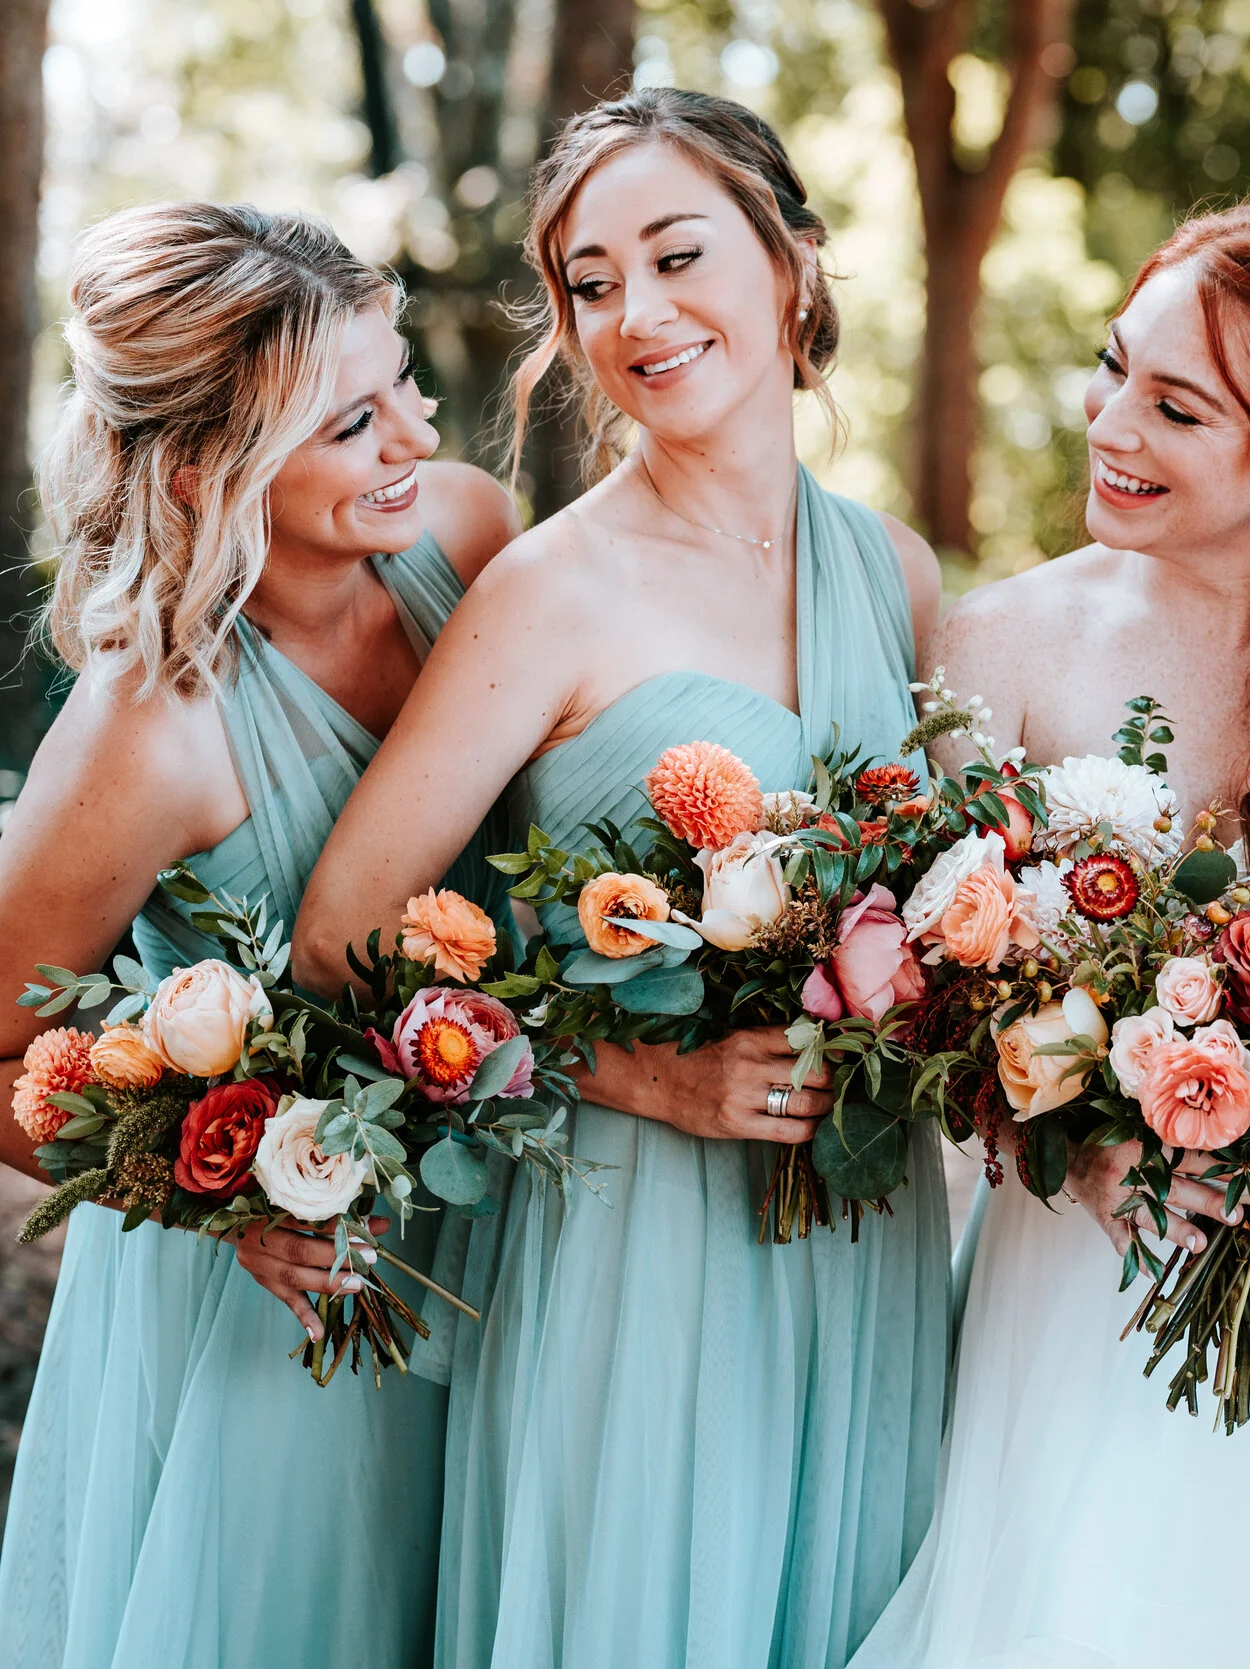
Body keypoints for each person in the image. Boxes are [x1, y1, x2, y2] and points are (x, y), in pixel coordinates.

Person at [291, 90, 949, 1668]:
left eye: (677, 255)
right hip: (636, 1239)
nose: (638, 313)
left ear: (791, 261)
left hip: (867, 1235)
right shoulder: (551, 591)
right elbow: (339, 939)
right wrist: (635, 1072)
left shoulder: (898, 573)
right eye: (592, 284)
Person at [846, 200, 1250, 1669]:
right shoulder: (998, 642)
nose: (1110, 423)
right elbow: (943, 994)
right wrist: (1074, 1149)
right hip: (1082, 1266)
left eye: (1177, 406)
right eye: (1114, 367)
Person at [0, 202, 518, 1669]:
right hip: (285, 1305)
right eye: (352, 424)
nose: (415, 435)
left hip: (511, 1224)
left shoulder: (467, 537)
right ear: (204, 469)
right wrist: (218, 1196)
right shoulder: (150, 729)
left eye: (401, 382)